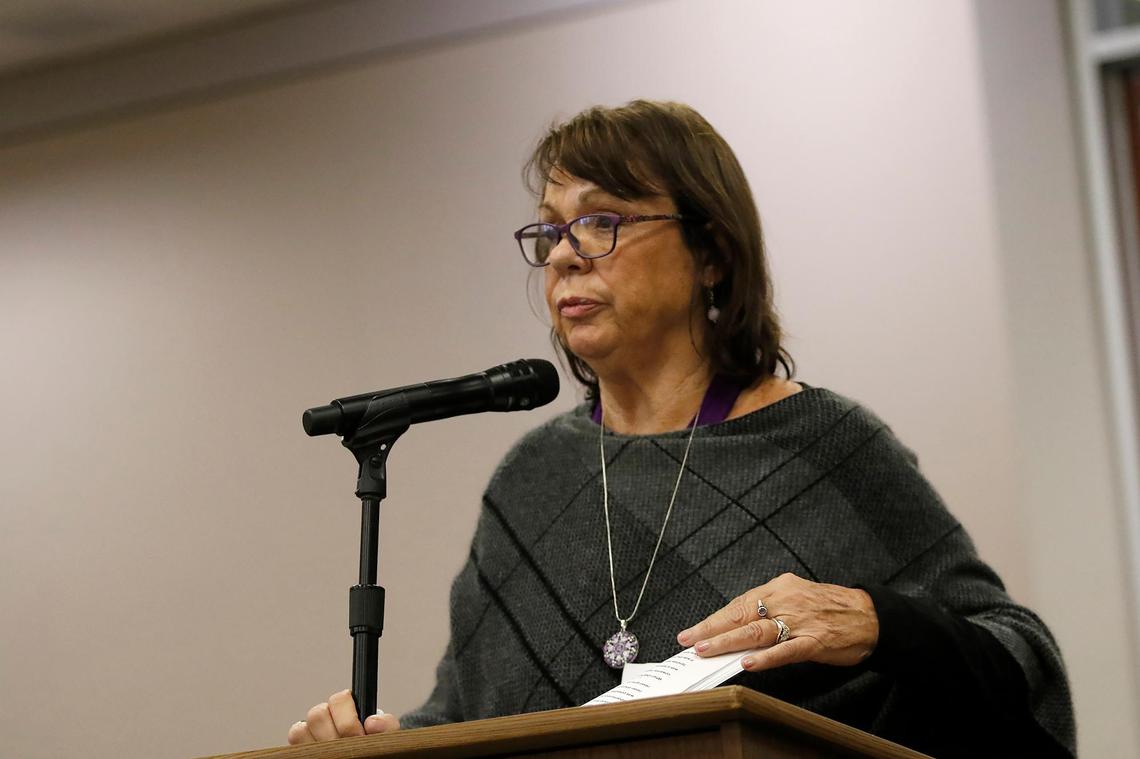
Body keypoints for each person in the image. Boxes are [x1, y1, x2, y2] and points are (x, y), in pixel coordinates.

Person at [287, 100, 1075, 757]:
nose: (564, 257)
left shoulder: (822, 444)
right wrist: (383, 742)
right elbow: (473, 715)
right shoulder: (533, 476)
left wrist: (877, 620)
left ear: (713, 255)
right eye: (550, 231)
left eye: (601, 221)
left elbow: (1018, 655)